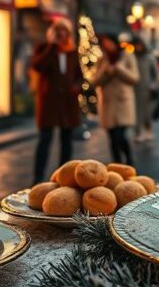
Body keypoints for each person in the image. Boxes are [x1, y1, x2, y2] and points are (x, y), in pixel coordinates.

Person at [30, 19, 82, 183]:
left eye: (64, 31)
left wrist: (76, 86)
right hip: (49, 102)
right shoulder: (44, 48)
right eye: (58, 31)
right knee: (45, 139)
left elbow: (79, 76)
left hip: (67, 101)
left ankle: (64, 177)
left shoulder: (73, 51)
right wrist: (52, 46)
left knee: (66, 141)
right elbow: (38, 66)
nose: (61, 35)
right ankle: (38, 178)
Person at [94, 33, 139, 165]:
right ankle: (117, 164)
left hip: (122, 102)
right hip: (107, 103)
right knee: (112, 137)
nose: (107, 45)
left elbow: (134, 78)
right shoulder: (102, 59)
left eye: (109, 42)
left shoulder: (127, 56)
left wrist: (119, 69)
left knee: (120, 135)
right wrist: (105, 71)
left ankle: (129, 160)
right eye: (104, 43)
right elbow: (95, 81)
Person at [133, 36, 159, 143]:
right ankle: (138, 133)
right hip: (134, 89)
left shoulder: (150, 59)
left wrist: (153, 85)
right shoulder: (133, 58)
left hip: (147, 89)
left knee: (147, 113)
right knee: (136, 113)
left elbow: (156, 75)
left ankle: (148, 130)